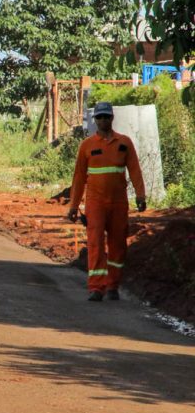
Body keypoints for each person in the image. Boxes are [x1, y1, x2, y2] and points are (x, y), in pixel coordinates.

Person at [67, 101, 147, 301]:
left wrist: (140, 195)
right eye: (99, 117)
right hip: (95, 203)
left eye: (106, 116)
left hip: (119, 203)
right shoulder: (87, 146)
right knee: (95, 243)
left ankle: (113, 285)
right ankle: (96, 287)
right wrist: (74, 206)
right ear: (95, 120)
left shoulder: (124, 143)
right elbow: (79, 178)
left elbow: (135, 170)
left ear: (112, 118)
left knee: (118, 244)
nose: (103, 120)